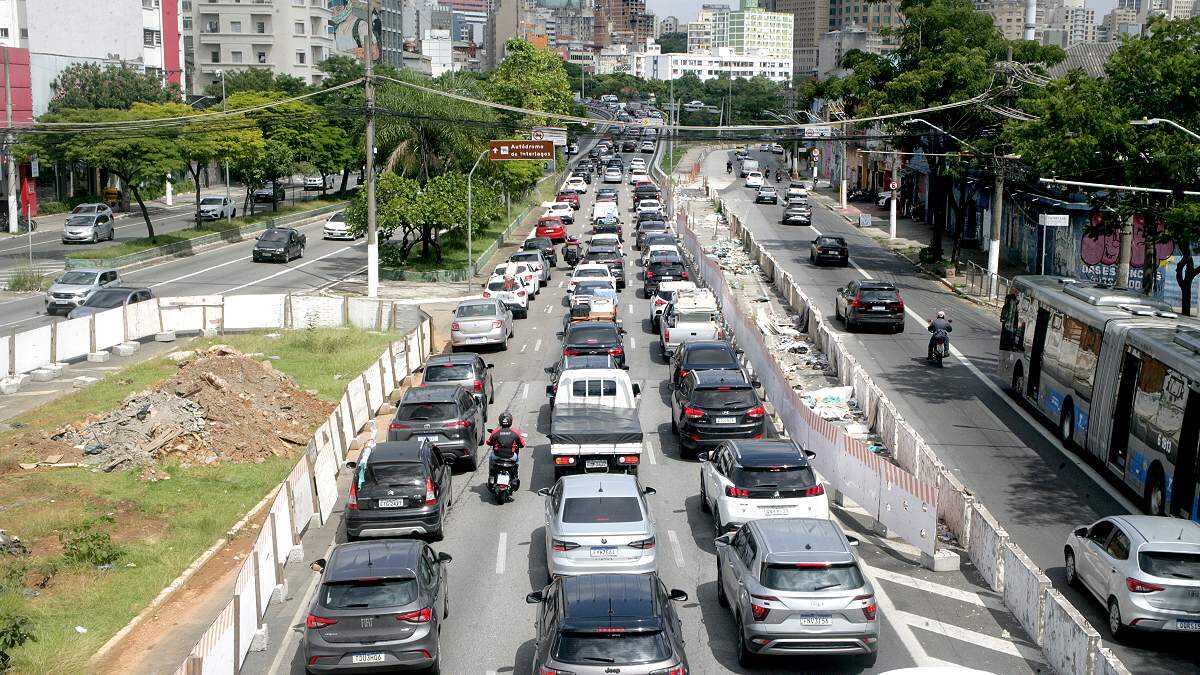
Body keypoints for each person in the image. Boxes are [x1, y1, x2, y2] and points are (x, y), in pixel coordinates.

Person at [486, 412, 525, 488]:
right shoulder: (515, 432)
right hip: (511, 457)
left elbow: (488, 442)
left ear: (500, 421)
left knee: (491, 457)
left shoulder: (495, 432)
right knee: (517, 459)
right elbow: (522, 445)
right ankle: (515, 475)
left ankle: (491, 474)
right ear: (510, 421)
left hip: (497, 457)